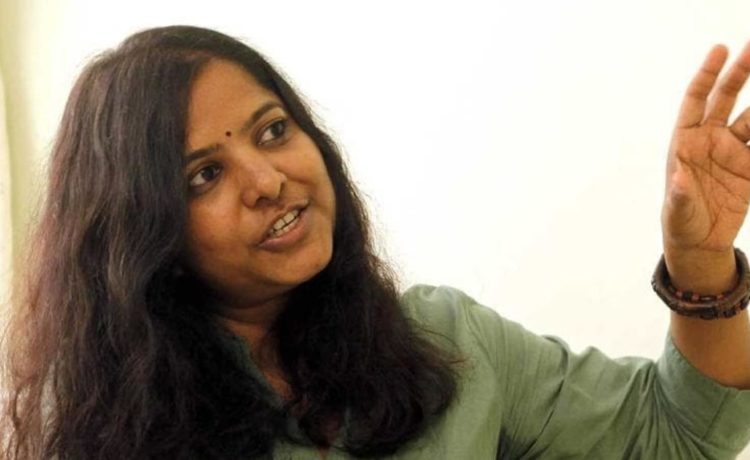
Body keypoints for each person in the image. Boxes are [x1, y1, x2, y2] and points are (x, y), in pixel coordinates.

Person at [2, 25, 750, 459]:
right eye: (203, 175)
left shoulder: (446, 341)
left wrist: (701, 263)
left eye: (274, 130)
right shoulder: (96, 426)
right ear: (141, 234)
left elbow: (675, 435)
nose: (267, 180)